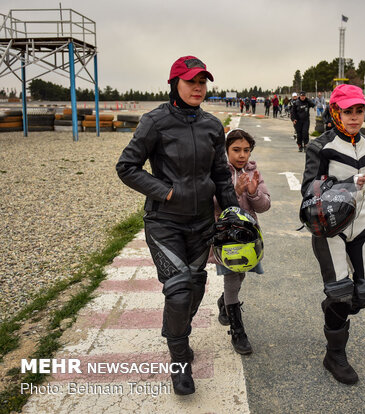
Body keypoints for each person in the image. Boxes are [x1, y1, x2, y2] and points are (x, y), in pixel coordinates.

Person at [116, 56, 239, 395]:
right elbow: (126, 167)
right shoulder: (154, 122)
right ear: (175, 84)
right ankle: (180, 359)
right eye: (190, 81)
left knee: (195, 288)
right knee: (180, 290)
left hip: (202, 223)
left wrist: (234, 215)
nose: (198, 87)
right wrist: (166, 192)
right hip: (165, 221)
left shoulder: (213, 126)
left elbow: (221, 176)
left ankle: (175, 331)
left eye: (202, 82)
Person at [301, 84, 365, 385]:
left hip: (364, 226)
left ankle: (334, 305)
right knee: (342, 292)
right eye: (348, 111)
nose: (354, 117)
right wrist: (338, 188)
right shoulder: (321, 147)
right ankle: (335, 354)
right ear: (335, 112)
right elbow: (308, 190)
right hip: (331, 231)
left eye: (359, 111)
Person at [211, 129, 271, 354]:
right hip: (225, 238)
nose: (242, 155)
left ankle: (224, 303)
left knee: (241, 275)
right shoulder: (218, 173)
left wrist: (254, 193)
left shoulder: (254, 172)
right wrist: (234, 192)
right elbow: (213, 205)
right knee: (232, 279)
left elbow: (265, 206)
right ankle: (238, 332)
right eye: (236, 150)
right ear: (226, 151)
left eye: (246, 150)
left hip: (248, 237)